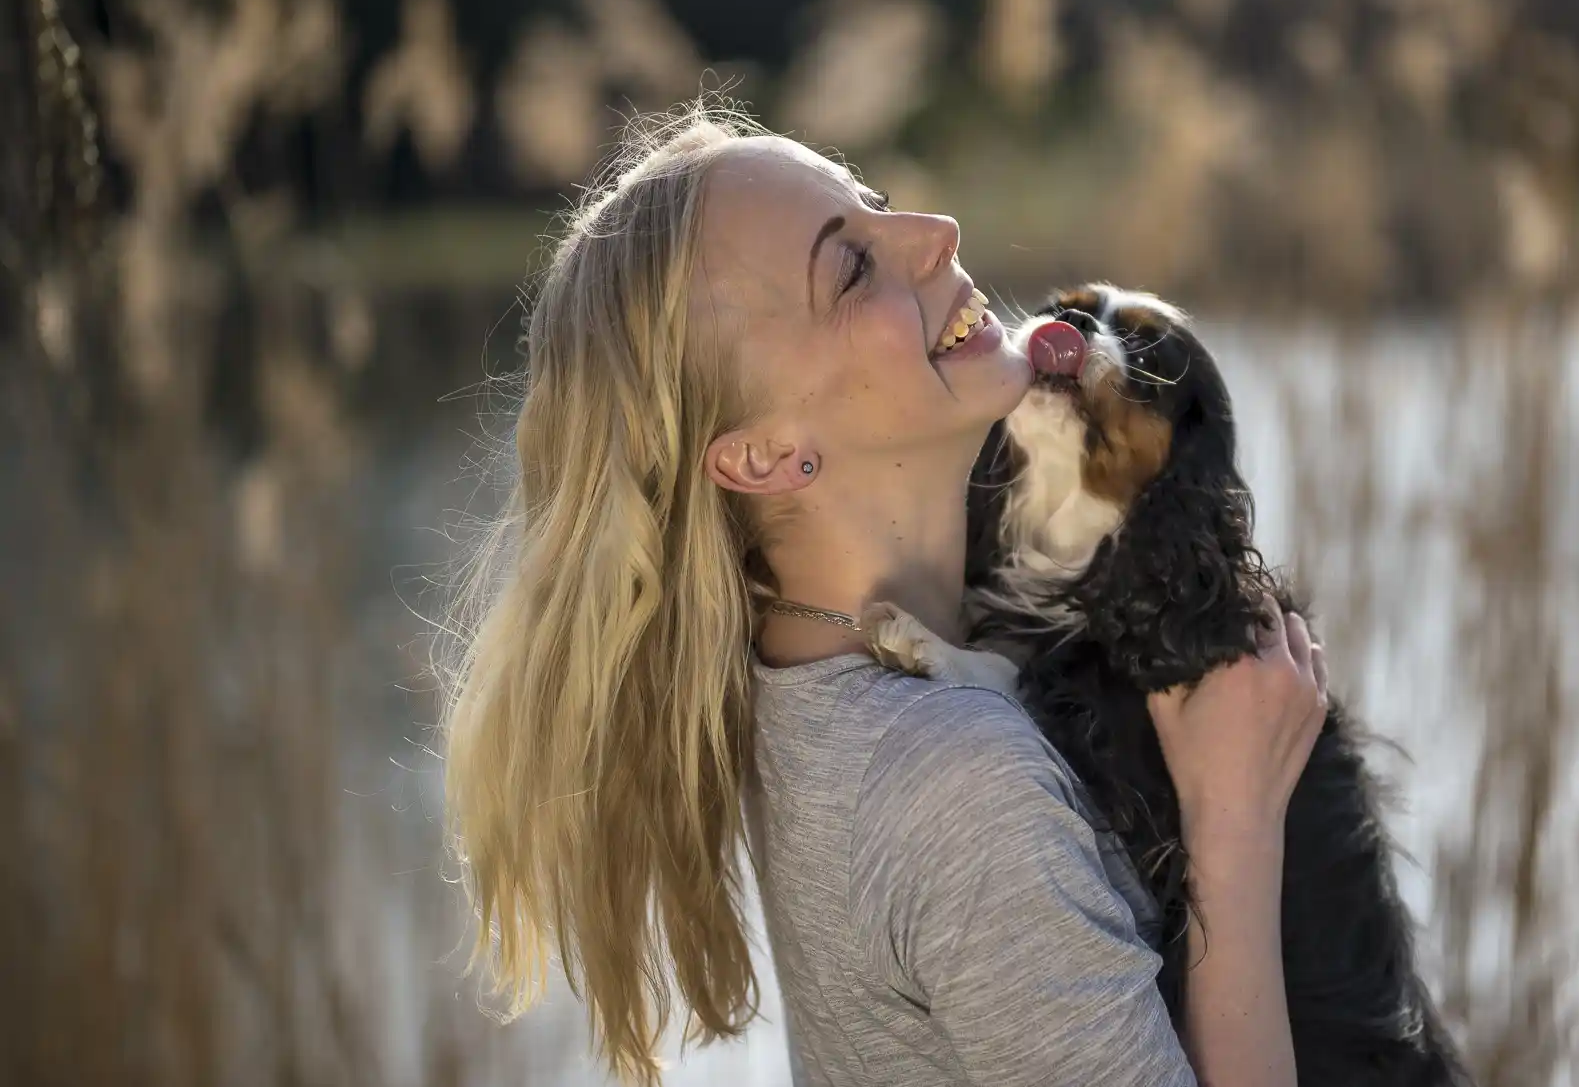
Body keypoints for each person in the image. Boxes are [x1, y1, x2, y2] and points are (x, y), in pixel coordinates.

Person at [439, 104, 1328, 1087]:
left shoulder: (795, 686)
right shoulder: (957, 786)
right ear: (766, 455)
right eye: (849, 265)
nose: (936, 233)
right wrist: (1234, 822)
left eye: (880, 205)